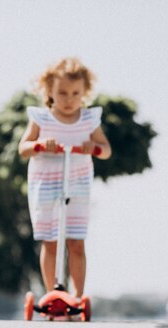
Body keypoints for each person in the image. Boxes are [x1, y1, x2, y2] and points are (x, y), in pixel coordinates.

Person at [18, 57, 112, 300]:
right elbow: (23, 148)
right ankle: (53, 296)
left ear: (84, 92)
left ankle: (78, 298)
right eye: (62, 93)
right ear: (50, 91)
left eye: (75, 93)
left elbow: (106, 149)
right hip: (46, 183)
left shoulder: (89, 120)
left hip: (77, 184)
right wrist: (39, 145)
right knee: (49, 242)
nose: (69, 99)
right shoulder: (42, 118)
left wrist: (94, 147)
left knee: (76, 241)